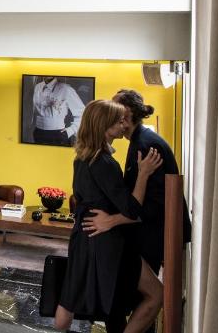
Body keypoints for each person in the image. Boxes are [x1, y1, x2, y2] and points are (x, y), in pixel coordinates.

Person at [81, 90, 192, 332]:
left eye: (115, 109)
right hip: (144, 232)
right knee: (132, 297)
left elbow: (152, 205)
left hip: (151, 234)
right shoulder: (138, 142)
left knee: (138, 297)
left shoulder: (145, 145)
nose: (112, 113)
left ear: (127, 113)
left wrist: (112, 221)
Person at [55, 99, 164, 333]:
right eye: (118, 121)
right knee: (156, 293)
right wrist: (144, 173)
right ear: (104, 125)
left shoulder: (81, 158)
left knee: (72, 296)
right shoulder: (104, 162)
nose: (124, 125)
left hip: (84, 237)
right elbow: (132, 209)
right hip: (109, 244)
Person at [32, 76, 86, 146]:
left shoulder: (66, 89)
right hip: (39, 133)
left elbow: (83, 113)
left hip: (58, 135)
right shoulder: (37, 87)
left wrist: (70, 130)